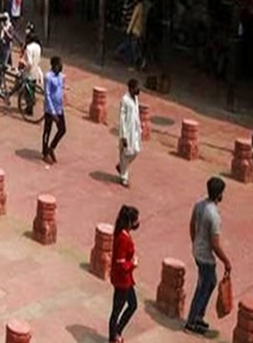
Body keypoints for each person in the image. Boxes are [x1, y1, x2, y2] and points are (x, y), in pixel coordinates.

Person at [186, 176, 231, 335]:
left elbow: (192, 225)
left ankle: (198, 315)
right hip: (206, 257)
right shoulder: (214, 216)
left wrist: (195, 243)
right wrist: (226, 261)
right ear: (219, 194)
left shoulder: (199, 205)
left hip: (198, 251)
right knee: (204, 287)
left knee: (209, 283)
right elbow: (215, 244)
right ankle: (192, 320)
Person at [108, 204, 140, 343]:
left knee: (132, 305)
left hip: (125, 279)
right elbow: (121, 263)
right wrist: (133, 264)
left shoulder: (122, 234)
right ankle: (114, 336)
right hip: (122, 280)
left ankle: (117, 332)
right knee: (118, 310)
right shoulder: (123, 238)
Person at [117, 78, 142, 187]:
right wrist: (124, 136)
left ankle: (121, 166)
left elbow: (136, 114)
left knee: (135, 151)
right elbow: (122, 119)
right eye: (136, 88)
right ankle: (124, 177)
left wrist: (139, 127)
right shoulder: (125, 100)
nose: (138, 90)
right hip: (127, 131)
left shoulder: (136, 99)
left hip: (135, 131)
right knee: (125, 153)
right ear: (131, 88)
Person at [42, 56, 66, 164]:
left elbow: (61, 89)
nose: (61, 67)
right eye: (59, 64)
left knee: (62, 129)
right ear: (54, 65)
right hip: (50, 109)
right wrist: (52, 112)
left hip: (59, 107)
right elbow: (47, 94)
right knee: (47, 130)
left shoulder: (61, 76)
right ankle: (45, 152)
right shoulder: (48, 77)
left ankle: (52, 147)